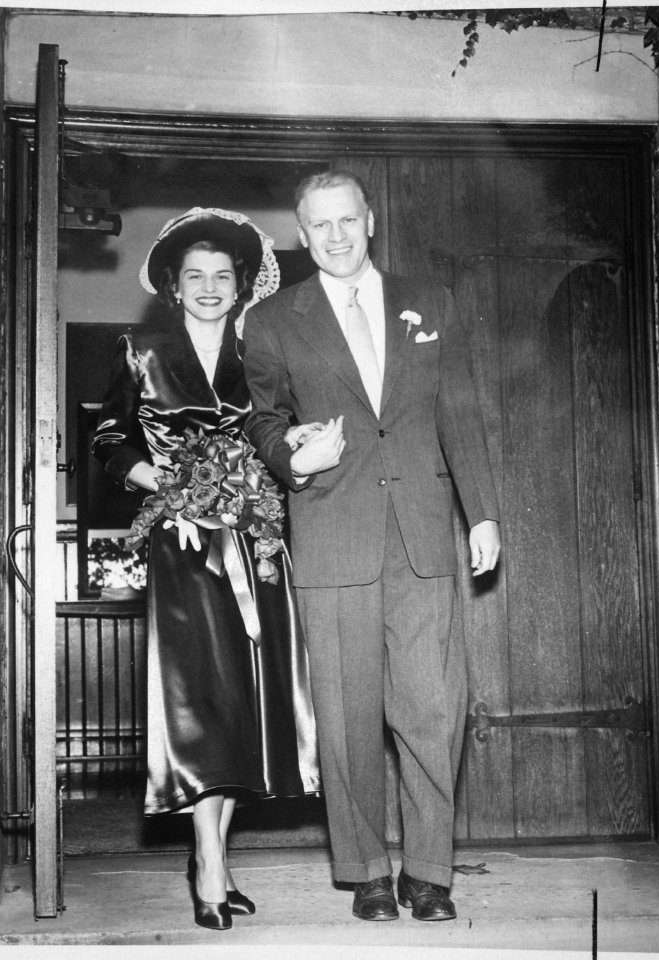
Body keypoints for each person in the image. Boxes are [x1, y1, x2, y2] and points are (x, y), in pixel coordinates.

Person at [242, 170, 501, 923]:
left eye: (346, 221)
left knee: (431, 707)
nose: (335, 236)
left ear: (370, 220)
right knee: (348, 714)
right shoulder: (273, 320)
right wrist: (292, 455)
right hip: (331, 529)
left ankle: (429, 871)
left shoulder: (432, 301)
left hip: (422, 533)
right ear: (301, 232)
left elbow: (461, 411)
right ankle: (365, 872)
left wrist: (479, 511)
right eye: (318, 226)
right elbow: (262, 419)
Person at [92, 207, 320, 931]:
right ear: (173, 284)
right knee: (199, 706)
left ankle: (210, 856)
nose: (210, 287)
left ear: (241, 282)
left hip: (255, 544)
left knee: (242, 705)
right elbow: (108, 437)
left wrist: (292, 454)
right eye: (196, 276)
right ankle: (210, 865)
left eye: (223, 276)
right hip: (185, 546)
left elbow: (279, 428)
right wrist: (165, 486)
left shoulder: (262, 345)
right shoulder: (141, 348)